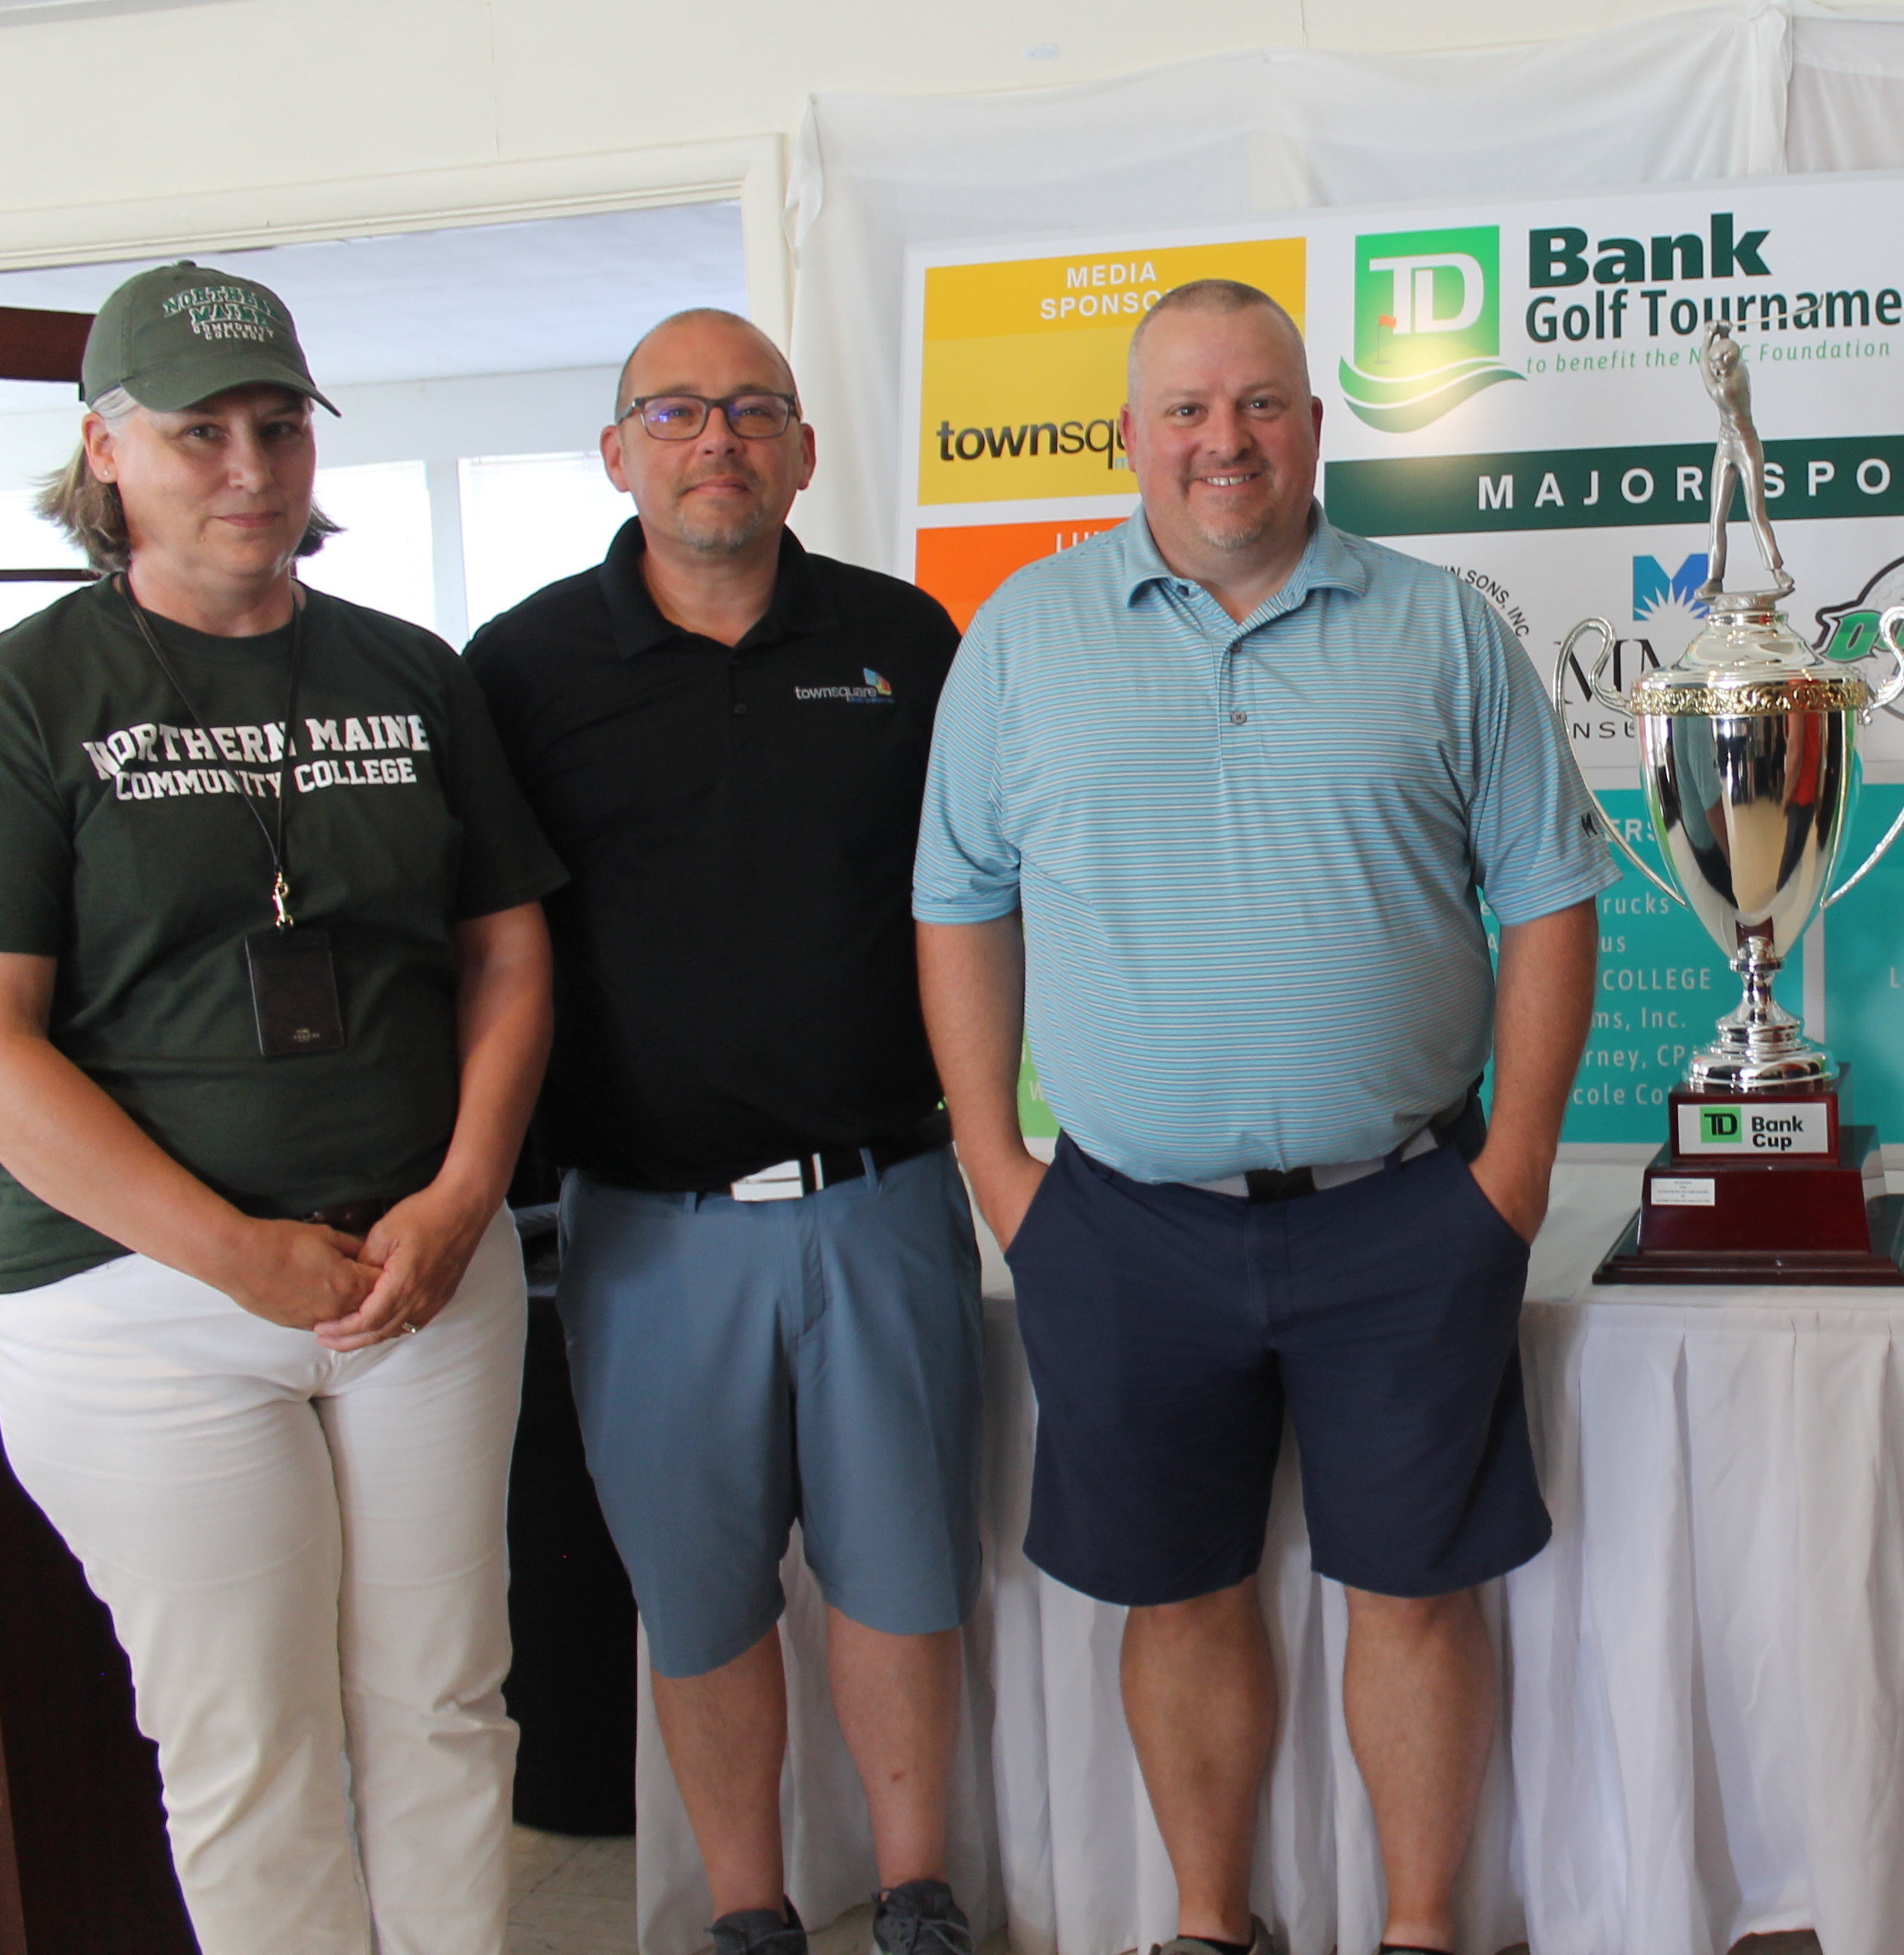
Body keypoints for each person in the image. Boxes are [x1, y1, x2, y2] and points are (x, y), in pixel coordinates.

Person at [914, 277, 1607, 1955]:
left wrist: (1513, 1168)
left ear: (1312, 423)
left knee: (1415, 1594)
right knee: (1178, 1596)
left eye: (1262, 403)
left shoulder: (1440, 626)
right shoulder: (1021, 635)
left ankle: (1421, 1926)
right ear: (1129, 435)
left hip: (1406, 1212)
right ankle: (1210, 1923)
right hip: (1121, 1226)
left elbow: (1551, 891)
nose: (1224, 439)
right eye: (1187, 408)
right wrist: (997, 1167)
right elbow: (958, 900)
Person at [0, 262, 562, 1954]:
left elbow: (504, 953)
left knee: (447, 1703)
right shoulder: (22, 697)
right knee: (250, 1742)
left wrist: (462, 1198)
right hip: (138, 1304)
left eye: (282, 425)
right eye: (200, 432)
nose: (251, 467)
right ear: (106, 450)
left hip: (422, 1273)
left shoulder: (412, 671)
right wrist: (235, 1253)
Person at [465, 309, 979, 1955]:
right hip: (646, 1227)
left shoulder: (904, 639)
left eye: (753, 410)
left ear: (804, 452)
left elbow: (977, 904)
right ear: (617, 451)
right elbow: (481, 946)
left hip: (884, 1196)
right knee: (697, 1602)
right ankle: (750, 1909)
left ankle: (916, 1896)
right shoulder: (522, 668)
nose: (717, 440)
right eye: (677, 411)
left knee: (901, 1577)